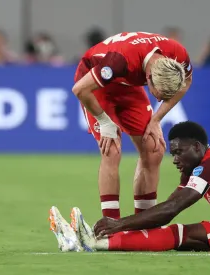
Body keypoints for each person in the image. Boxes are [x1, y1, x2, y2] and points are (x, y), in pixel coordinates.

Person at [49, 121, 210, 253]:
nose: (174, 160)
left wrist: (118, 224)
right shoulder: (198, 166)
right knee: (182, 237)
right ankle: (96, 241)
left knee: (184, 234)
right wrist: (122, 229)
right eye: (172, 154)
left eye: (178, 153)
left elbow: (171, 209)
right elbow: (165, 212)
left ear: (196, 147)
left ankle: (96, 244)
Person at [71, 32, 193, 219]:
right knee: (111, 149)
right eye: (158, 94)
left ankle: (143, 224)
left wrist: (156, 119)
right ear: (149, 77)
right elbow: (80, 89)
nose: (159, 99)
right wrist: (104, 122)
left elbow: (187, 82)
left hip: (126, 83)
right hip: (94, 83)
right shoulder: (119, 61)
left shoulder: (178, 55)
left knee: (153, 147)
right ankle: (110, 225)